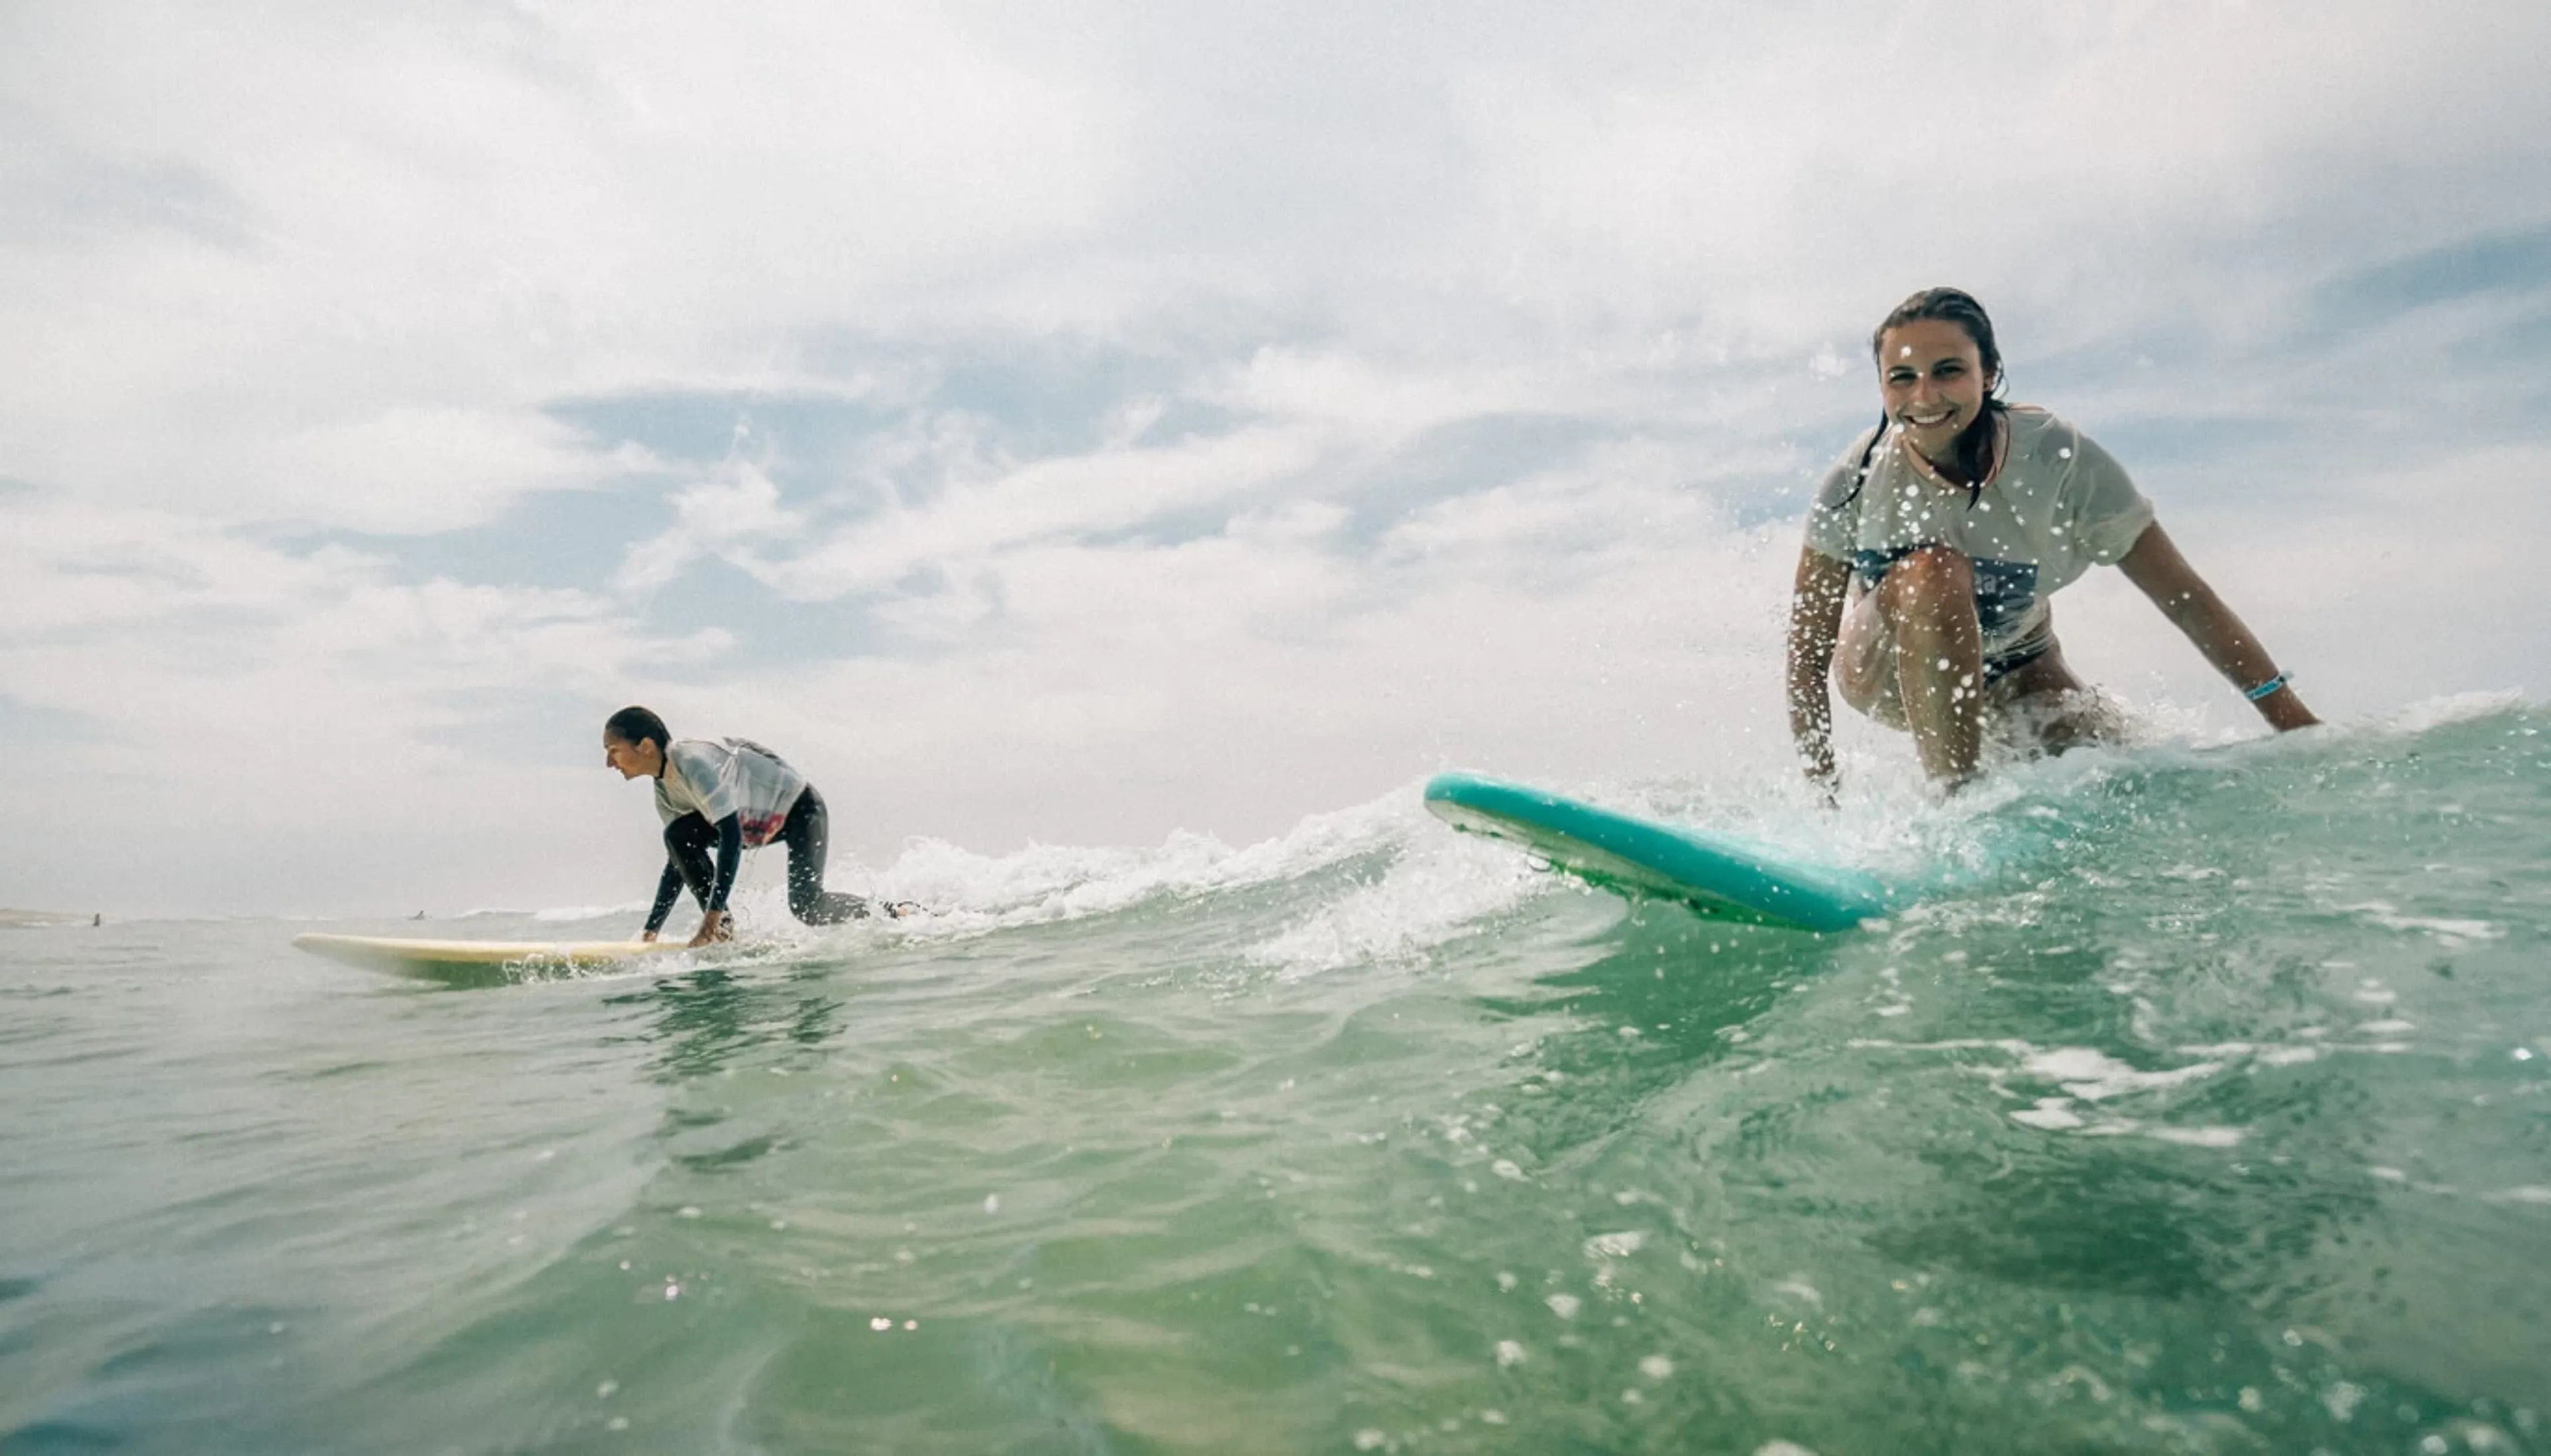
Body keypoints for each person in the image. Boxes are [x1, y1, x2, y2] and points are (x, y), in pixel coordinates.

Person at [1786, 287, 2319, 794]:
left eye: (1948, 371)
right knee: (1934, 572)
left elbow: (2185, 597)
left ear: (1989, 373)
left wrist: (2292, 720)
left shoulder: (2056, 460)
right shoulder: (1856, 479)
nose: (1923, 396)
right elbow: (1808, 653)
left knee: (2138, 776)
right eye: (1901, 377)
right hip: (1888, 674)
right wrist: (1824, 794)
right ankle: (1956, 806)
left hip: (2022, 666)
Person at [603, 706, 895, 946]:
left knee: (808, 906)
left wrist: (712, 916)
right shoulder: (665, 790)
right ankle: (726, 931)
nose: (609, 762)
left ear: (645, 746)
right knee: (677, 836)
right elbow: (678, 859)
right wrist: (651, 931)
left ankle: (892, 913)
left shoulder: (690, 761)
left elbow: (730, 834)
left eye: (614, 750)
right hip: (754, 823)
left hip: (799, 810)